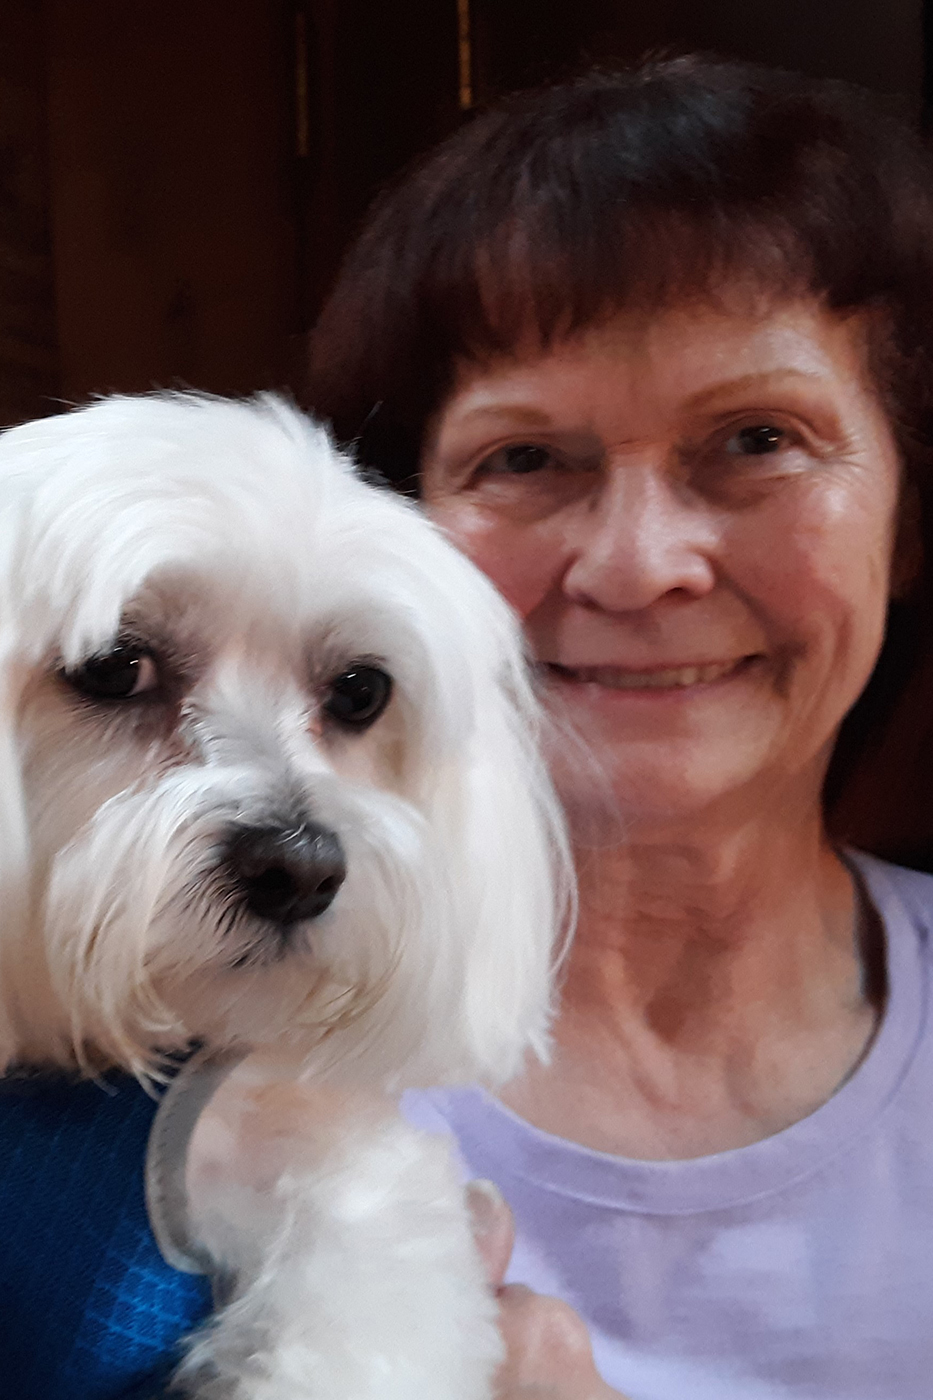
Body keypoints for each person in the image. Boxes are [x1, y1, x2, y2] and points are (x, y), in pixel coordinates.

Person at [307, 57, 933, 1398]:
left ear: (909, 519)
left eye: (756, 440)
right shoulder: (219, 1083)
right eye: (525, 459)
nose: (637, 567)